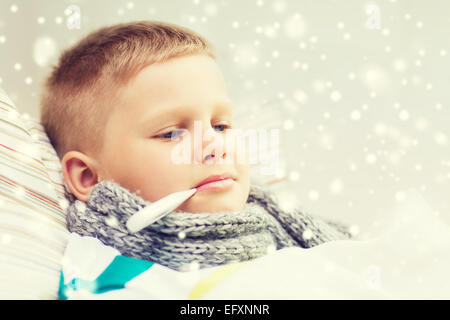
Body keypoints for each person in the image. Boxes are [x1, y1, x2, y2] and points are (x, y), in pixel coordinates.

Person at [40, 20, 353, 271]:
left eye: (221, 126)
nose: (214, 146)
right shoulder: (100, 272)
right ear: (88, 178)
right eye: (172, 133)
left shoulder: (291, 235)